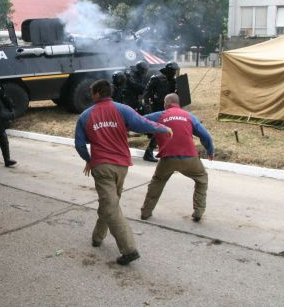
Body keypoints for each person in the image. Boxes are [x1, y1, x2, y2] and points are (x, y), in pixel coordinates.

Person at [74, 79, 173, 266]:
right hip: (122, 166)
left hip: (102, 167)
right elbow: (142, 123)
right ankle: (97, 237)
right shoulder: (123, 109)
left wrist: (88, 159)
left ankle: (129, 250)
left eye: (92, 92)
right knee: (110, 203)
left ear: (97, 94)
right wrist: (163, 128)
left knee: (110, 205)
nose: (90, 95)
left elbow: (79, 144)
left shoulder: (85, 116)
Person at [140, 93, 214, 223]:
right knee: (202, 179)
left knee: (157, 182)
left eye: (164, 102)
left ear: (168, 103)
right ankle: (198, 212)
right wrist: (210, 151)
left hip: (167, 158)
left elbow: (140, 121)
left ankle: (146, 212)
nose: (163, 104)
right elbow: (205, 136)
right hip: (189, 158)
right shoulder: (189, 116)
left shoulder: (159, 115)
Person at [142, 62, 180, 162]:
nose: (174, 73)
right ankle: (149, 152)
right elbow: (146, 93)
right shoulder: (156, 79)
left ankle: (168, 151)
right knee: (159, 130)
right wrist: (147, 106)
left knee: (169, 129)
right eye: (173, 71)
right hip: (157, 107)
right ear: (169, 71)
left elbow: (174, 94)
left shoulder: (173, 81)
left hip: (168, 108)